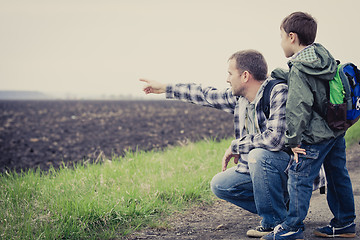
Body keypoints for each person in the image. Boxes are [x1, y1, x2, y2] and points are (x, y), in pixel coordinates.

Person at [140, 49, 291, 238]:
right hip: (260, 169)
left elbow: (275, 139)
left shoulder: (278, 91)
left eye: (230, 73)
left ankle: (274, 223)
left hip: (287, 169)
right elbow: (205, 94)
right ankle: (282, 208)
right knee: (220, 184)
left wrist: (236, 145)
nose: (227, 79)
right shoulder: (240, 99)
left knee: (257, 155)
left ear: (245, 76)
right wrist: (164, 88)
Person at [261, 12, 356, 240]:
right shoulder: (322, 57)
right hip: (335, 129)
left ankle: (292, 226)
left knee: (298, 177)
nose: (281, 41)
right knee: (337, 175)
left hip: (314, 136)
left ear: (291, 37)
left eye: (282, 36)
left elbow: (298, 107)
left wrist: (293, 141)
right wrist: (282, 73)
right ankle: (345, 223)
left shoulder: (301, 68)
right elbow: (317, 86)